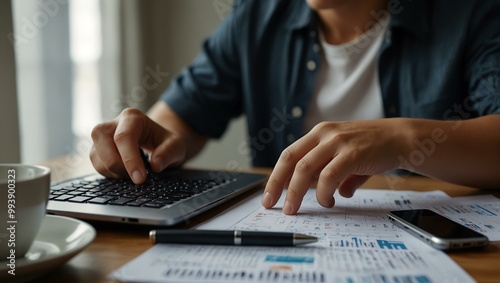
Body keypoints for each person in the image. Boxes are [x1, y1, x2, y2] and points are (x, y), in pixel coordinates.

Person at [90, 0, 500, 216]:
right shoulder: (258, 14)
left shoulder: (472, 11)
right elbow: (181, 115)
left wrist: (401, 139)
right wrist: (155, 138)